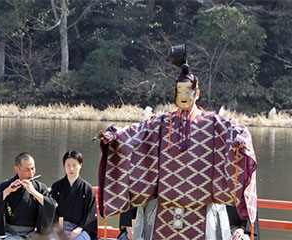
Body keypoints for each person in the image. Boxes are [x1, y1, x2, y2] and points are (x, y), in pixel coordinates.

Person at [98, 64, 258, 239]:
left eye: (188, 91)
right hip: (163, 211)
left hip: (202, 210)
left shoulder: (212, 123)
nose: (183, 96)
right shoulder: (161, 123)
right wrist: (115, 137)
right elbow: (136, 134)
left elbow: (234, 130)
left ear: (197, 94)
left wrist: (240, 139)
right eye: (179, 91)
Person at [0, 152, 56, 240]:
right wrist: (8, 191)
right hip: (9, 233)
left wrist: (34, 192)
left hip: (32, 233)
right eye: (27, 170)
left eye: (33, 169)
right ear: (17, 169)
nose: (31, 173)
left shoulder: (40, 188)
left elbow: (51, 205)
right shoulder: (6, 185)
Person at [50, 150, 98, 240]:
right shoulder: (57, 186)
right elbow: (52, 209)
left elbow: (90, 213)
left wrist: (79, 228)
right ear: (64, 166)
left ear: (80, 165)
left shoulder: (87, 189)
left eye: (74, 165)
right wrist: (56, 227)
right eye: (68, 165)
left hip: (80, 228)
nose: (71, 169)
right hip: (59, 227)